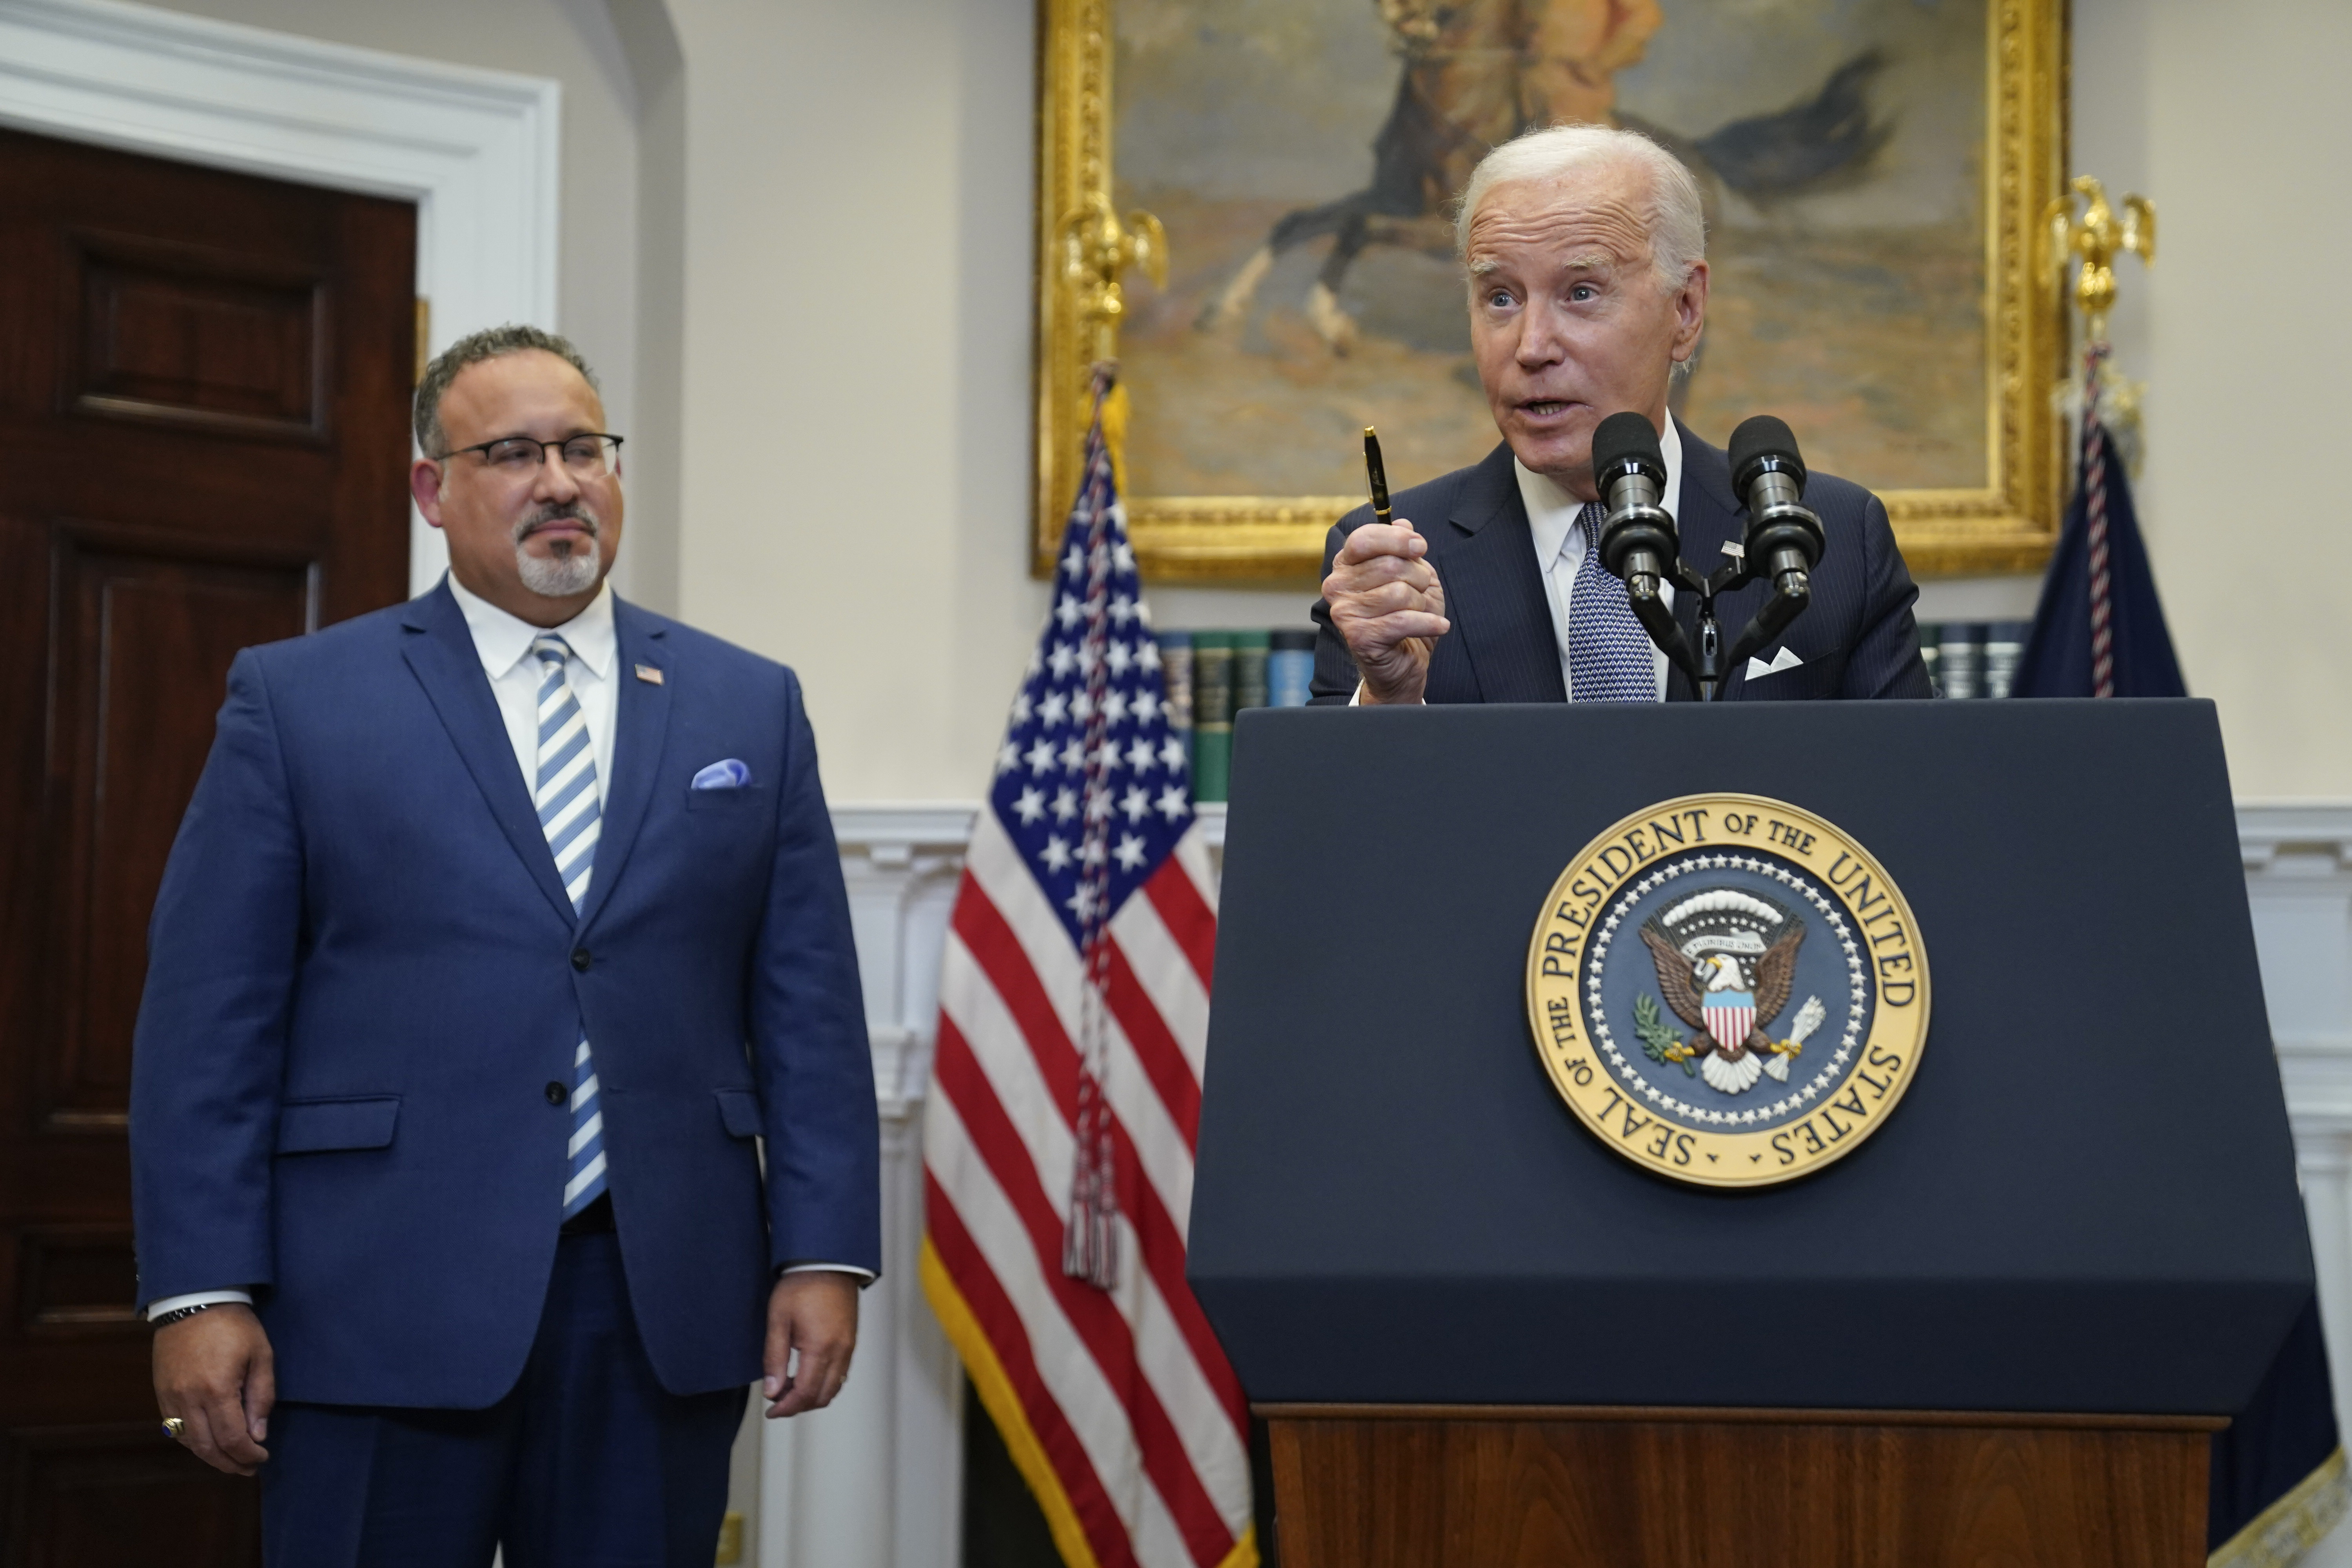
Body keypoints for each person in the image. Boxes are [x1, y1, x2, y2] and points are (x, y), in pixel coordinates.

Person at [128, 325, 879, 1563]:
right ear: (435, 488)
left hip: (661, 1303)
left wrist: (824, 1250)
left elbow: (807, 1005)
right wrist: (202, 1288)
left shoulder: (748, 703)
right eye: (515, 452)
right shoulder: (299, 700)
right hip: (373, 1301)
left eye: (585, 448)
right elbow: (210, 1021)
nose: (561, 482)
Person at [1312, 123, 1933, 704]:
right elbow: (1332, 817)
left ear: (1685, 310)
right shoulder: (1391, 565)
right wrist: (1389, 700)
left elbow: (1906, 798)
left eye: (1581, 293)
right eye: (1500, 297)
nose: (1531, 348)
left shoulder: (1835, 537)